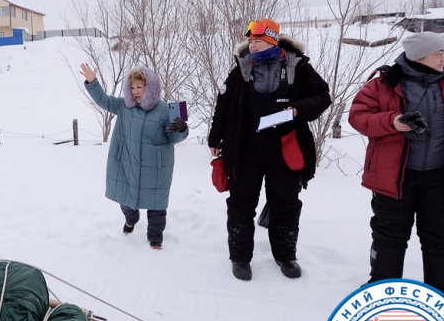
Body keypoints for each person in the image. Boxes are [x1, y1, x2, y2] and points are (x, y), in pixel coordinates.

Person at [348, 31, 444, 305]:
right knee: (389, 237)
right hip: (394, 177)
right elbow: (358, 117)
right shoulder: (384, 84)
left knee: (443, 240)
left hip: (443, 178)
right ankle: (382, 292)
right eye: (439, 53)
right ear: (419, 56)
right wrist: (392, 122)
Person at [207, 18, 331, 281]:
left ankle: (286, 256)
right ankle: (240, 258)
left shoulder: (298, 66)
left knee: (285, 204)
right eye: (250, 41)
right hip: (245, 149)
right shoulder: (241, 68)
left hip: (285, 149)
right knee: (241, 204)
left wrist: (298, 109)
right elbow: (223, 106)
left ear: (273, 41)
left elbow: (323, 96)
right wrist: (214, 139)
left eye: (258, 41)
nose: (252, 46)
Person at [79, 63, 188, 249]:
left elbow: (174, 138)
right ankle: (131, 219)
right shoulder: (124, 106)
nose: (136, 91)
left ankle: (155, 238)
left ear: (149, 87)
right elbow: (104, 100)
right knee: (126, 201)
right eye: (132, 87)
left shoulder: (164, 109)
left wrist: (182, 129)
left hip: (156, 169)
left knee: (156, 206)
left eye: (140, 86)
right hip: (127, 163)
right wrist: (92, 82)